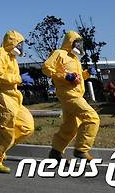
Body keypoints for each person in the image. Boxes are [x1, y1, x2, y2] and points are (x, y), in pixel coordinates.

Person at [43, 31, 100, 160]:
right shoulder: (59, 54)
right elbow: (46, 68)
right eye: (78, 43)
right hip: (68, 95)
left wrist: (87, 73)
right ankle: (81, 149)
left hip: (76, 94)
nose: (80, 46)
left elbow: (78, 78)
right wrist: (64, 76)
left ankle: (55, 152)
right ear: (71, 42)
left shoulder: (75, 59)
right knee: (92, 118)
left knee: (71, 126)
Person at [0, 31, 34, 174]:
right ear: (12, 42)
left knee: (27, 127)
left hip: (14, 97)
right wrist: (19, 79)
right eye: (19, 44)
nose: (21, 47)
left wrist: (18, 79)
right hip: (3, 97)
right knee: (8, 130)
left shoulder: (12, 57)